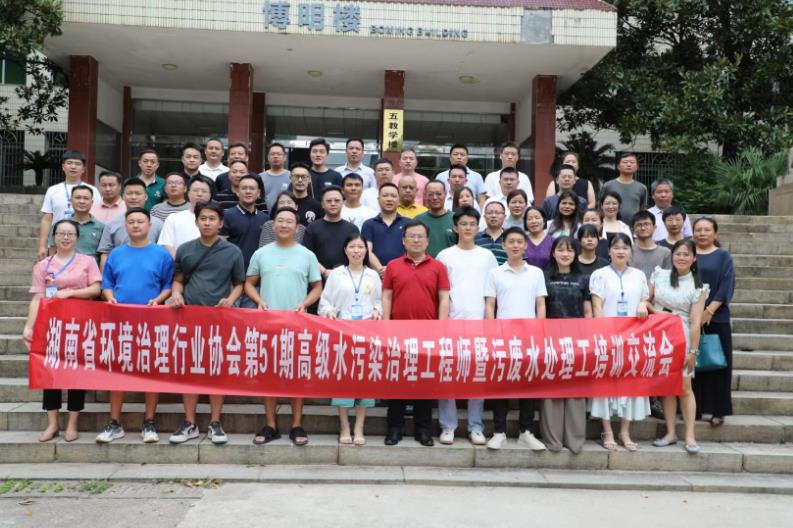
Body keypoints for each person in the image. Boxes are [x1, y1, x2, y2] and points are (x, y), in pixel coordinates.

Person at [168, 202, 245, 445]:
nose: (207, 222)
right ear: (196, 222)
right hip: (189, 316)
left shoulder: (232, 251)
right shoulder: (185, 250)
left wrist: (230, 300)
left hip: (219, 318)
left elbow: (239, 283)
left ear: (221, 223)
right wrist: (176, 294)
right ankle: (189, 422)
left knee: (216, 370)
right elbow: (178, 280)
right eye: (203, 218)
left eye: (212, 218)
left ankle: (215, 422)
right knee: (190, 369)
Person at [245, 207, 322, 446]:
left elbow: (317, 286)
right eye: (280, 221)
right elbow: (249, 283)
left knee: (297, 375)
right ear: (273, 225)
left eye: (289, 222)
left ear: (297, 228)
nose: (285, 225)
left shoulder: (307, 255)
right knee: (268, 375)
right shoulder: (261, 253)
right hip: (268, 324)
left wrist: (305, 303)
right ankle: (271, 425)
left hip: (298, 324)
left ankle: (297, 424)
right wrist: (259, 301)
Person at [97, 208, 174, 443]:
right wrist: (109, 297)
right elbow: (107, 283)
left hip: (152, 321)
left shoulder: (162, 255)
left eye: (141, 221)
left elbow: (168, 285)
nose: (136, 225)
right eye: (131, 222)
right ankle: (114, 422)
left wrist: (159, 300)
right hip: (120, 321)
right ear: (125, 226)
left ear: (150, 226)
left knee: (151, 370)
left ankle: (149, 421)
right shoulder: (116, 254)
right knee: (118, 370)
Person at [24, 219, 102, 442]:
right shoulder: (43, 265)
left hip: (79, 324)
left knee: (76, 373)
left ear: (77, 237)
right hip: (51, 326)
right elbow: (37, 298)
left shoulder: (87, 261)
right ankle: (52, 423)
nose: (65, 238)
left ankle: (72, 423)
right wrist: (29, 326)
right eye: (61, 234)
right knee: (51, 372)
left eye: (70, 234)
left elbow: (96, 289)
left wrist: (70, 293)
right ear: (54, 237)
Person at [382, 220, 450, 447]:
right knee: (397, 382)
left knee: (425, 382)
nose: (416, 240)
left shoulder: (438, 266)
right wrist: (386, 325)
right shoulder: (393, 266)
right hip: (398, 332)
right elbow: (387, 297)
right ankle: (394, 428)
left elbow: (443, 298)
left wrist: (441, 328)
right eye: (411, 236)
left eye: (420, 236)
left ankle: (423, 430)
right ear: (404, 240)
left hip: (428, 334)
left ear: (428, 241)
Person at [436, 207, 497, 445]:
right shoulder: (445, 255)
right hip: (452, 321)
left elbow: (492, 292)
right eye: (463, 223)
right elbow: (440, 292)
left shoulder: (487, 256)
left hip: (479, 322)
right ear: (455, 227)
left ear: (478, 227)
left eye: (472, 223)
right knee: (448, 373)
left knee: (477, 374)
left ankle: (476, 426)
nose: (468, 228)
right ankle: (448, 425)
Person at [485, 227, 547, 451]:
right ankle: (499, 431)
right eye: (510, 241)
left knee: (527, 384)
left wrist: (539, 333)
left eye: (519, 242)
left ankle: (526, 432)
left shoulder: (536, 273)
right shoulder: (495, 273)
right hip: (502, 337)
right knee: (501, 384)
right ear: (504, 246)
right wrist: (492, 334)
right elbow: (490, 305)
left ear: (525, 246)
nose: (515, 245)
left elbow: (541, 304)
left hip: (529, 337)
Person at [318, 234, 382, 446]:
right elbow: (325, 302)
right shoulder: (336, 274)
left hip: (367, 333)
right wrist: (329, 312)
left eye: (360, 247)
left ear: (366, 251)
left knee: (364, 380)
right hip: (342, 333)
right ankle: (344, 425)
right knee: (343, 380)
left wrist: (377, 310)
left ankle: (359, 426)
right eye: (352, 247)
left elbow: (380, 301)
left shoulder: (373, 275)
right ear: (345, 250)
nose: (356, 251)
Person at [589, 233, 651, 452]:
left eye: (625, 247)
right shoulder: (599, 274)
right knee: (605, 383)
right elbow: (597, 306)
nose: (621, 251)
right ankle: (607, 431)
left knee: (630, 383)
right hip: (608, 337)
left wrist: (643, 303)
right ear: (609, 251)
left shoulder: (639, 275)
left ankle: (625, 431)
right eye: (616, 247)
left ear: (631, 251)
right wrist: (604, 336)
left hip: (633, 338)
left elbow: (644, 298)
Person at [648, 239, 708, 454]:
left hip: (682, 335)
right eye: (678, 254)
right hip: (657, 335)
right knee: (666, 387)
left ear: (694, 259)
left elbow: (695, 322)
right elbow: (646, 300)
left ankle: (690, 435)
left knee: (684, 387)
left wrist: (693, 351)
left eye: (686, 254)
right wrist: (656, 312)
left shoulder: (698, 286)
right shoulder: (659, 275)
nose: (681, 258)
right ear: (672, 256)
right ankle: (670, 432)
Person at [540, 236, 591, 453]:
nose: (565, 254)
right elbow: (540, 308)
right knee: (552, 388)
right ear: (553, 253)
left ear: (575, 254)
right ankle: (553, 439)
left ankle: (574, 439)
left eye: (570, 250)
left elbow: (587, 310)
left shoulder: (583, 278)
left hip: (577, 340)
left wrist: (588, 337)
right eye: (561, 250)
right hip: (550, 339)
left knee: (575, 388)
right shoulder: (544, 277)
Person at [691, 217, 736, 427]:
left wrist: (709, 310)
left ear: (715, 233)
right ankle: (696, 408)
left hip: (717, 317)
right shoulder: (688, 254)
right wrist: (696, 313)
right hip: (691, 316)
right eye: (698, 230)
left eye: (707, 230)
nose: (702, 233)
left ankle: (719, 410)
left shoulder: (723, 256)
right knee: (694, 364)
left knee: (718, 362)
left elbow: (727, 285)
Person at [37, 150, 100, 261]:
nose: (73, 167)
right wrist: (42, 246)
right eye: (69, 163)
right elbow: (47, 219)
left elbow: (97, 216)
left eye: (77, 164)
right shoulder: (53, 190)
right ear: (63, 167)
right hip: (58, 242)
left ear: (83, 169)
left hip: (84, 242)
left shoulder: (92, 190)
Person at [220, 175, 270, 303]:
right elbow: (220, 249)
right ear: (237, 192)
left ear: (258, 193)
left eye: (252, 188)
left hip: (256, 282)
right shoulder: (227, 216)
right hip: (231, 281)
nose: (248, 191)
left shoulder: (265, 219)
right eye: (244, 188)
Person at [97, 178, 164, 271]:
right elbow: (105, 254)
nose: (133, 197)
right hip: (120, 273)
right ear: (123, 196)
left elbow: (163, 253)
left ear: (146, 196)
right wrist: (104, 277)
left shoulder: (158, 224)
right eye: (129, 193)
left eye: (138, 193)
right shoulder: (112, 224)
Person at [304, 186, 361, 282]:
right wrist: (324, 271)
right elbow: (306, 255)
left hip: (347, 279)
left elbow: (358, 254)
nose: (333, 203)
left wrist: (342, 273)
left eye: (337, 200)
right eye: (329, 201)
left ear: (343, 203)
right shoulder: (312, 228)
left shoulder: (352, 229)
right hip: (318, 279)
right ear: (322, 204)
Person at [361, 182, 411, 277]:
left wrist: (394, 270)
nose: (389, 199)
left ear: (399, 200)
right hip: (375, 275)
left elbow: (412, 251)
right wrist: (381, 270)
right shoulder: (369, 224)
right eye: (385, 195)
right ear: (378, 199)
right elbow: (367, 250)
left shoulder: (409, 223)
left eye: (393, 196)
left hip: (403, 274)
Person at [158, 175, 213, 258]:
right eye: (195, 190)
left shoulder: (217, 219)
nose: (199, 194)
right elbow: (166, 244)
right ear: (188, 193)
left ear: (210, 195)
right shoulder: (174, 218)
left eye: (204, 191)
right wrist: (180, 262)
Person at [52, 185, 104, 258]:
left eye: (86, 198)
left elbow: (103, 255)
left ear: (92, 202)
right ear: (71, 201)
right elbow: (52, 252)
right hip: (65, 264)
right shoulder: (59, 226)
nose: (82, 201)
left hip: (91, 265)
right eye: (78, 198)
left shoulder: (101, 227)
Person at [600, 152, 647, 221]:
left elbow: (643, 210)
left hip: (634, 225)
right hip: (612, 224)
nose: (629, 164)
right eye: (625, 162)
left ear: (637, 167)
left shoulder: (642, 188)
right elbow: (600, 208)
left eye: (632, 162)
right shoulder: (608, 186)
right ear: (618, 166)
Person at [415, 180, 456, 257]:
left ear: (445, 194)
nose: (434, 198)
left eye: (439, 194)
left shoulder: (456, 219)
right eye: (430, 194)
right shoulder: (418, 220)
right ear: (425, 196)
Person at [630, 210, 671, 280]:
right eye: (639, 225)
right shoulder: (627, 251)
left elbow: (667, 279)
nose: (643, 228)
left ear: (654, 227)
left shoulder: (665, 253)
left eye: (646, 224)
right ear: (633, 229)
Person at [260, 143, 291, 211]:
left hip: (285, 213)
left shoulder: (291, 177)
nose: (275, 156)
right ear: (268, 157)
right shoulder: (260, 177)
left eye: (279, 154)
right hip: (264, 214)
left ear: (285, 157)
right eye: (272, 154)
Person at [475, 201, 508, 265]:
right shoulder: (475, 238)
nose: (493, 216)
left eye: (497, 213)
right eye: (490, 213)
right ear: (484, 217)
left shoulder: (511, 238)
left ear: (504, 216)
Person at [524, 206, 553, 270]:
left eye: (537, 218)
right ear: (525, 223)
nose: (533, 221)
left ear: (544, 221)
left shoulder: (553, 241)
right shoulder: (521, 241)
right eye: (529, 219)